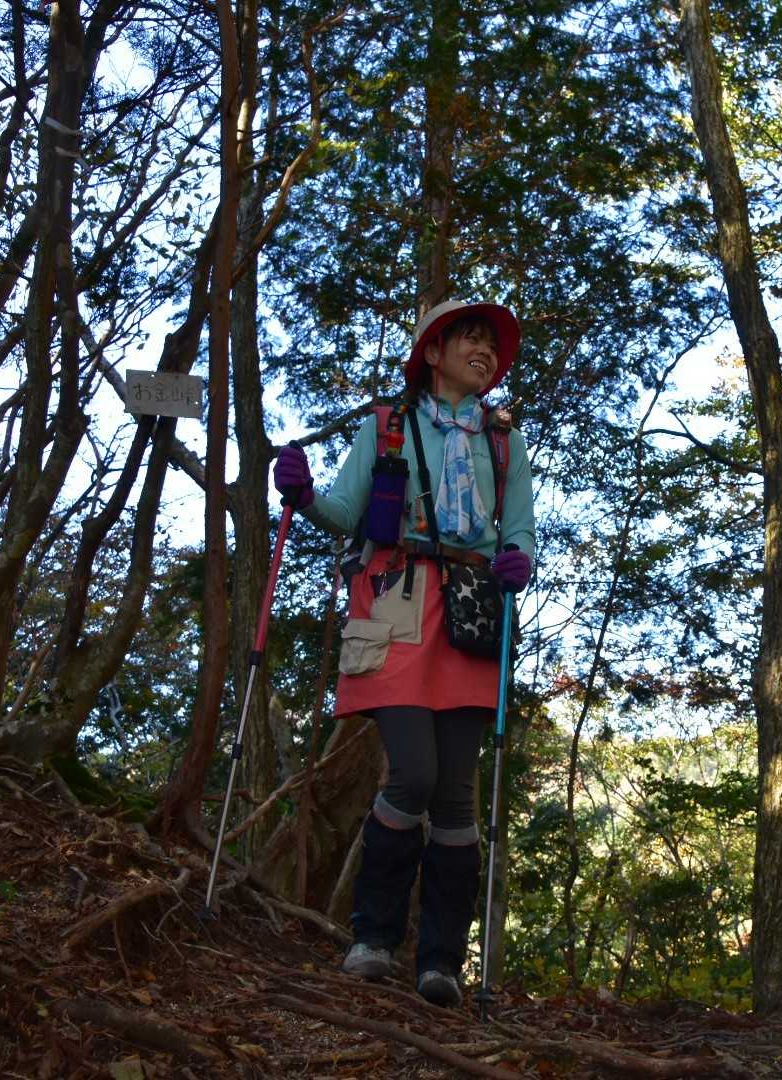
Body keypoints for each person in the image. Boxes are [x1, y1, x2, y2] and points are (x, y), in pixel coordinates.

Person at [272, 299, 535, 1006]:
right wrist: (302, 493)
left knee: (455, 793)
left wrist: (519, 560)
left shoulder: (503, 442)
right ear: (433, 352)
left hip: (471, 611)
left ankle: (441, 962)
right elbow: (344, 511)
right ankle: (374, 937)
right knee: (413, 773)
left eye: (492, 345)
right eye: (470, 339)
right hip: (395, 599)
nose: (485, 353)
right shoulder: (386, 425)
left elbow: (518, 529)